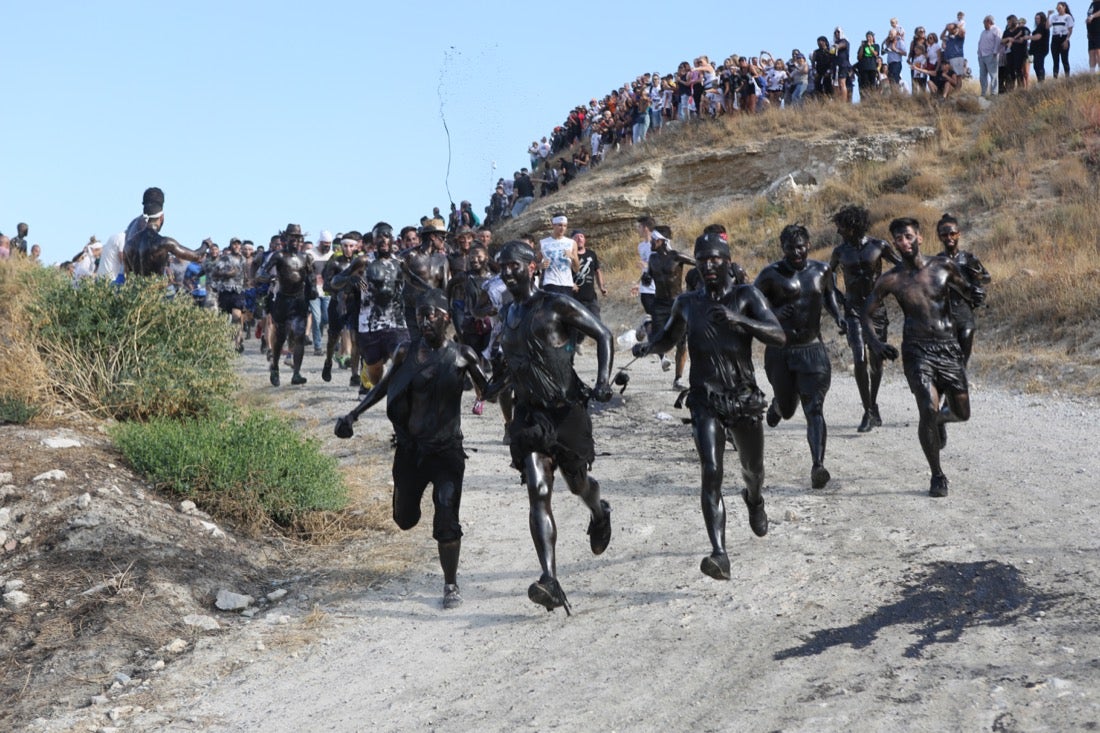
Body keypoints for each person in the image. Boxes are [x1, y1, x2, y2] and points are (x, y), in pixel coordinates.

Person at [632, 233, 785, 580]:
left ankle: (754, 498)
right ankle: (719, 553)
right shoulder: (686, 303)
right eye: (702, 260)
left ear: (727, 260)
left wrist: (741, 321)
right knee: (710, 471)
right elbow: (669, 337)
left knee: (752, 469)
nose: (709, 265)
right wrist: (649, 347)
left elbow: (779, 335)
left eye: (715, 259)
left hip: (743, 396)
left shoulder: (746, 296)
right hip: (705, 397)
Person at [335, 289, 489, 610]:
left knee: (447, 515)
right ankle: (406, 505)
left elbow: (489, 391)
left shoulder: (463, 355)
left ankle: (450, 584)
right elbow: (384, 387)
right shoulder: (406, 351)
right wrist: (354, 414)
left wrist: (506, 376)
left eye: (431, 314)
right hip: (410, 451)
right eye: (420, 315)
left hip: (447, 451)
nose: (424, 320)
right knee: (405, 519)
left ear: (447, 317)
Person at [485, 240, 614, 615]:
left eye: (513, 266)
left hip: (567, 410)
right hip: (530, 415)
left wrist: (603, 380)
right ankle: (550, 579)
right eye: (501, 267)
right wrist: (495, 385)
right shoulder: (508, 315)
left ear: (532, 267)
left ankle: (599, 512)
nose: (507, 272)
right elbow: (510, 364)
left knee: (579, 485)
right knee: (538, 490)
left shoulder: (556, 304)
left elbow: (603, 335)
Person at [863, 218, 976, 498]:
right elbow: (866, 313)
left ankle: (938, 422)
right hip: (917, 350)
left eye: (908, 236)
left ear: (920, 238)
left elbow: (969, 293)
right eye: (898, 239)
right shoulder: (891, 279)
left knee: (962, 413)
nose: (904, 242)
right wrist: (875, 343)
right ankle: (937, 475)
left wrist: (976, 289)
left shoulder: (943, 267)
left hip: (948, 347)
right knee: (927, 405)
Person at [754, 224, 844, 490]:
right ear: (782, 248)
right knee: (789, 408)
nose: (796, 252)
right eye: (790, 248)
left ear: (808, 245)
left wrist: (839, 317)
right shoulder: (770, 275)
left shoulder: (821, 270)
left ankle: (818, 465)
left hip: (812, 350)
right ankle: (778, 407)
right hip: (780, 351)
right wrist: (772, 314)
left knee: (814, 408)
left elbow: (829, 296)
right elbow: (752, 302)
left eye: (801, 246)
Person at [828, 204, 901, 432]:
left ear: (853, 226)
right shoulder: (840, 252)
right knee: (859, 358)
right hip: (852, 310)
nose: (839, 232)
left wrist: (888, 286)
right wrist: (836, 295)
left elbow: (901, 266)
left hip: (876, 310)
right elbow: (828, 272)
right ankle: (867, 411)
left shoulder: (879, 246)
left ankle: (873, 403)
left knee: (876, 362)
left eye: (842, 227)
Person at [335, 222, 407, 393]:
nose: (383, 240)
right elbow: (334, 281)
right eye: (379, 238)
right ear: (373, 241)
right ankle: (373, 379)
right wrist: (350, 279)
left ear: (392, 239)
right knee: (375, 374)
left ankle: (399, 395)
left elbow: (416, 284)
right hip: (369, 324)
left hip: (396, 322)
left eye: (386, 236)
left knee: (402, 358)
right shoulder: (364, 261)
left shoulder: (401, 263)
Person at [258, 224, 314, 387]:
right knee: (281, 336)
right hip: (283, 300)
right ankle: (275, 366)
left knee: (299, 336)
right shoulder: (278, 256)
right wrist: (268, 279)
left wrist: (312, 294)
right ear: (285, 238)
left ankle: (296, 373)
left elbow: (310, 277)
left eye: (298, 237)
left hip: (299, 300)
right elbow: (261, 272)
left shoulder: (306, 257)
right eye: (292, 237)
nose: (295, 240)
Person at [935, 214, 991, 367]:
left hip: (965, 315)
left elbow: (987, 278)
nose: (949, 237)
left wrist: (977, 275)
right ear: (940, 237)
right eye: (944, 234)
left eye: (952, 233)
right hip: (944, 317)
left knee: (962, 364)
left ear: (959, 234)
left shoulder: (968, 258)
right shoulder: (936, 261)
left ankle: (958, 389)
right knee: (948, 363)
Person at [646, 227, 695, 390]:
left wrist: (695, 286)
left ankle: (678, 380)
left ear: (662, 241)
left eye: (654, 239)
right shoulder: (652, 258)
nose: (651, 242)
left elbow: (698, 264)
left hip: (677, 303)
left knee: (682, 343)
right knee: (657, 337)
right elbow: (647, 277)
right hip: (659, 303)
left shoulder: (677, 256)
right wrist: (645, 279)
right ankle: (660, 353)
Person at [122, 187, 208, 277]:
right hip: (156, 290)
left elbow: (127, 277)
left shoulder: (128, 245)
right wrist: (206, 244)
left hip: (135, 291)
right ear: (162, 217)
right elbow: (197, 256)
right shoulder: (165, 243)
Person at [208, 237, 248, 352]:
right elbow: (215, 272)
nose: (236, 246)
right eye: (234, 244)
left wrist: (248, 282)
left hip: (238, 291)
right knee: (224, 318)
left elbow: (246, 273)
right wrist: (227, 274)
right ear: (231, 246)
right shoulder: (224, 258)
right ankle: (221, 341)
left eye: (238, 244)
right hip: (225, 290)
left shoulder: (243, 259)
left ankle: (237, 342)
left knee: (237, 316)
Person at [537, 213, 580, 297]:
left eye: (565, 226)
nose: (562, 228)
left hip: (567, 284)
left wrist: (573, 257)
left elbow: (577, 269)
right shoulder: (543, 243)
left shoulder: (571, 243)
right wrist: (540, 265)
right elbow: (534, 264)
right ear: (553, 225)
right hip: (550, 283)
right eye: (560, 225)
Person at [1050, 2, 1075, 77]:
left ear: (1064, 7)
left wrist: (1066, 40)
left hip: (1063, 37)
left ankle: (1067, 77)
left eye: (1059, 8)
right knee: (1055, 60)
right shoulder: (1054, 17)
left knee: (1064, 59)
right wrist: (1048, 16)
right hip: (1055, 38)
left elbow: (1070, 30)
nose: (1058, 9)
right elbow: (1048, 26)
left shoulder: (1068, 17)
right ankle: (1055, 77)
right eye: (1057, 8)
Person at [1086, 1, 1100, 72]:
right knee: (1091, 52)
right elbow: (1089, 15)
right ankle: (1092, 73)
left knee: (1098, 51)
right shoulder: (1092, 4)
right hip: (1091, 32)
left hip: (1098, 31)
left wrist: (1093, 16)